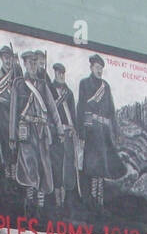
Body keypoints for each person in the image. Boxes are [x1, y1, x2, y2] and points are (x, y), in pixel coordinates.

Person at [12, 51, 60, 211]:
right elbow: (14, 111)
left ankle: (40, 206)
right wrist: (12, 136)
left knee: (43, 168)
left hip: (41, 132)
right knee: (29, 168)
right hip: (26, 132)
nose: (32, 65)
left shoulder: (43, 85)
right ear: (24, 64)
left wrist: (59, 129)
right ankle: (29, 203)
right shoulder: (18, 84)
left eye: (35, 62)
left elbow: (53, 110)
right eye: (29, 62)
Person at [76, 54, 124, 209]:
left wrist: (116, 132)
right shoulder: (84, 84)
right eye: (97, 68)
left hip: (103, 133)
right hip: (90, 131)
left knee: (102, 168)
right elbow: (81, 108)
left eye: (101, 68)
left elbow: (111, 111)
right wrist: (81, 133)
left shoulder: (106, 86)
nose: (99, 71)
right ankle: (91, 200)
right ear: (91, 67)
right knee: (92, 168)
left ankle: (100, 201)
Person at [48, 62, 80, 209]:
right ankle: (57, 200)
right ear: (54, 73)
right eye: (58, 73)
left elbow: (73, 114)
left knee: (68, 165)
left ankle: (66, 199)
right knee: (56, 165)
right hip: (56, 133)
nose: (61, 75)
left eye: (63, 73)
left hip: (68, 133)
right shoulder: (50, 90)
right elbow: (49, 113)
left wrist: (74, 129)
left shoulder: (69, 93)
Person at [0, 45, 19, 178]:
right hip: (2, 116)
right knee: (5, 146)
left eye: (10, 58)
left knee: (16, 147)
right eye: (6, 58)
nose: (8, 61)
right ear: (2, 59)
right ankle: (8, 175)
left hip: (16, 117)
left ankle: (15, 175)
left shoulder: (17, 76)